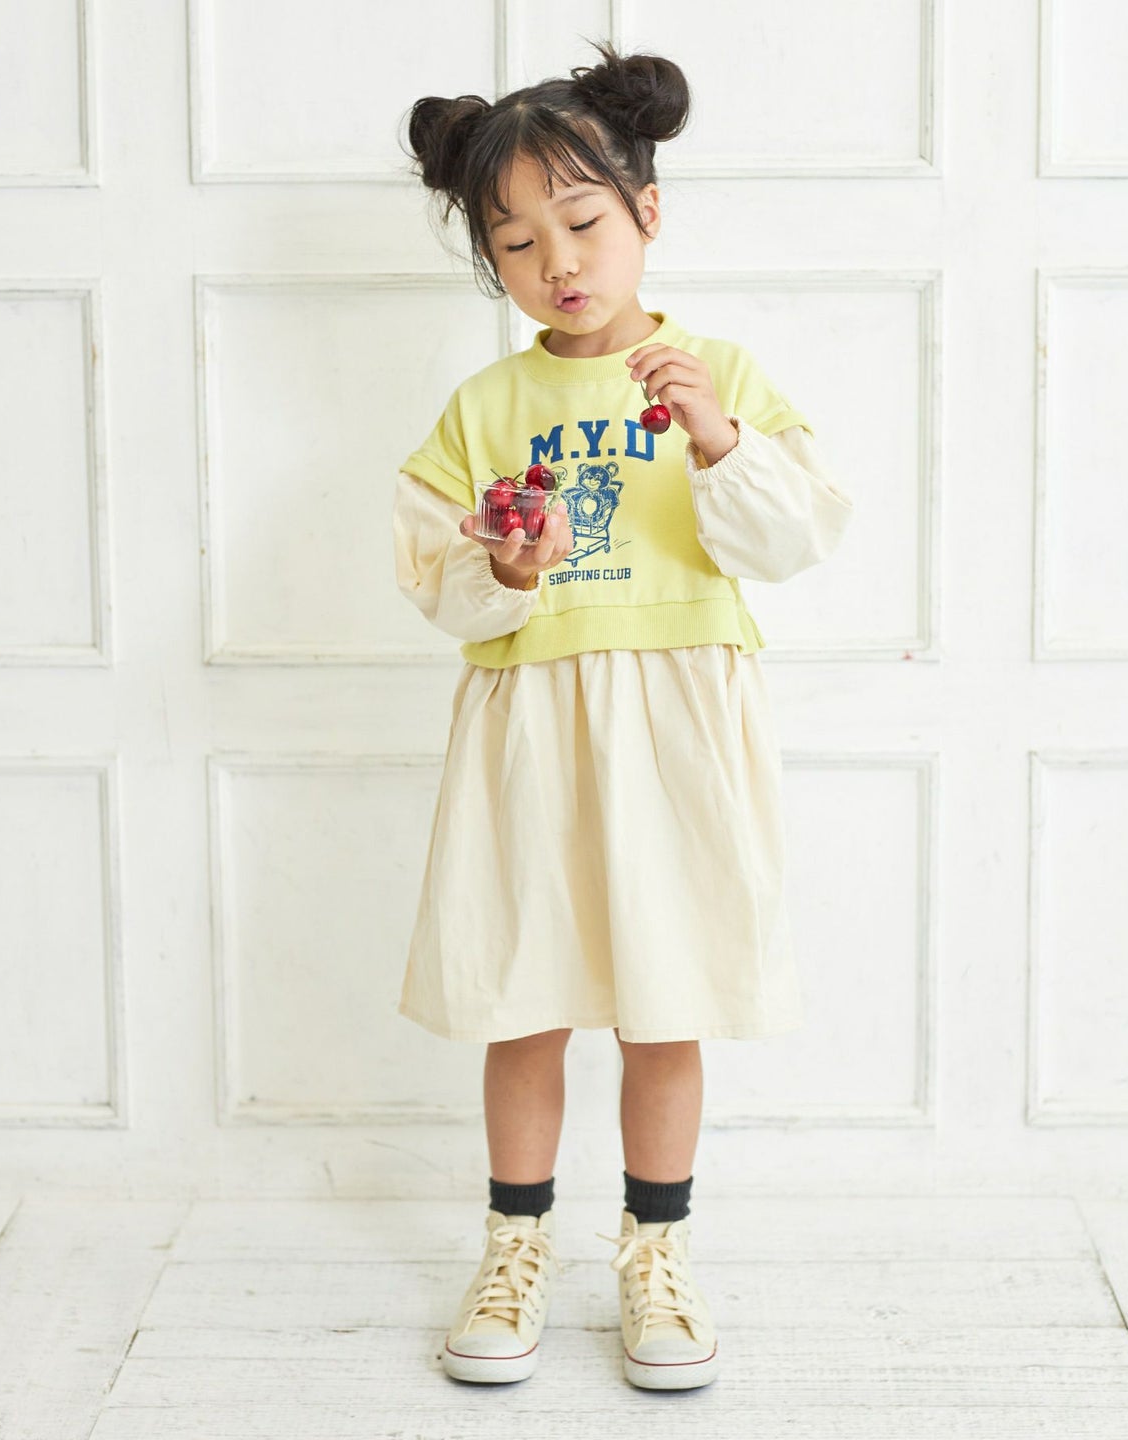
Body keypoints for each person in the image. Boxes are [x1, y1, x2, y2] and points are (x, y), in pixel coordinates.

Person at [393, 39, 854, 1391]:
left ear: (647, 211)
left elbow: (797, 537)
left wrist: (718, 437)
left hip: (677, 723)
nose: (559, 262)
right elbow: (431, 574)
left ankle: (657, 1255)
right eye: (517, 243)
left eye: (584, 222)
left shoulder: (718, 372)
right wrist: (506, 571)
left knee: (667, 1003)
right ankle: (514, 1246)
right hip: (534, 729)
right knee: (523, 997)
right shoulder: (487, 406)